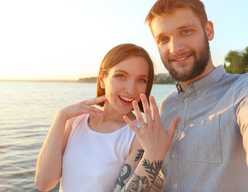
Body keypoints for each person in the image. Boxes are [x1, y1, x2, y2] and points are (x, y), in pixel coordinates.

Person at [140, 0, 248, 192]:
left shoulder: (247, 89)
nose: (175, 48)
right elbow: (166, 177)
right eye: (163, 39)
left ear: (208, 30)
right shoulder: (166, 106)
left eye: (186, 31)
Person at [34, 43, 180, 192]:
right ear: (102, 79)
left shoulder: (138, 135)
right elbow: (44, 183)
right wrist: (61, 117)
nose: (131, 90)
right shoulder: (76, 121)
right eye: (121, 76)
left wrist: (153, 156)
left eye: (141, 80)